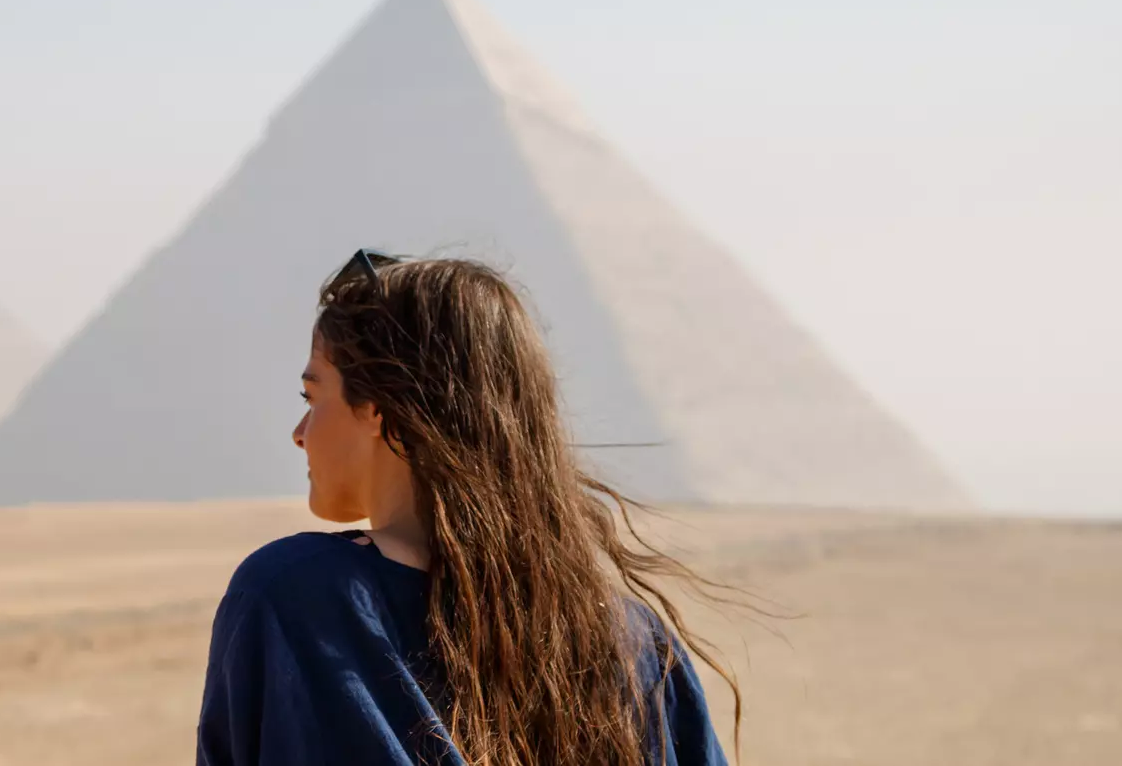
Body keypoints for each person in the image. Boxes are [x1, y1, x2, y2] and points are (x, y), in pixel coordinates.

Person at [195, 251, 737, 766]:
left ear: (378, 407)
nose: (299, 433)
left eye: (311, 398)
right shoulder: (637, 642)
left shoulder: (297, 596)